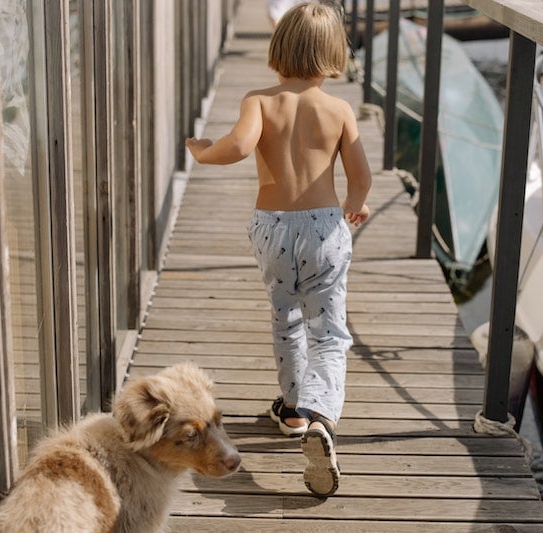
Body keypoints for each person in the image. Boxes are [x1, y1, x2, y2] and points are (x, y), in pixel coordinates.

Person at [185, 1, 371, 497]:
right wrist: (356, 205)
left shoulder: (259, 101)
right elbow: (360, 176)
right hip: (325, 229)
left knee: (285, 317)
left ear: (278, 46)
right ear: (334, 53)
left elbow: (240, 147)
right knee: (329, 333)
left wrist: (204, 151)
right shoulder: (339, 110)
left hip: (271, 229)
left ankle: (292, 409)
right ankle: (320, 417)